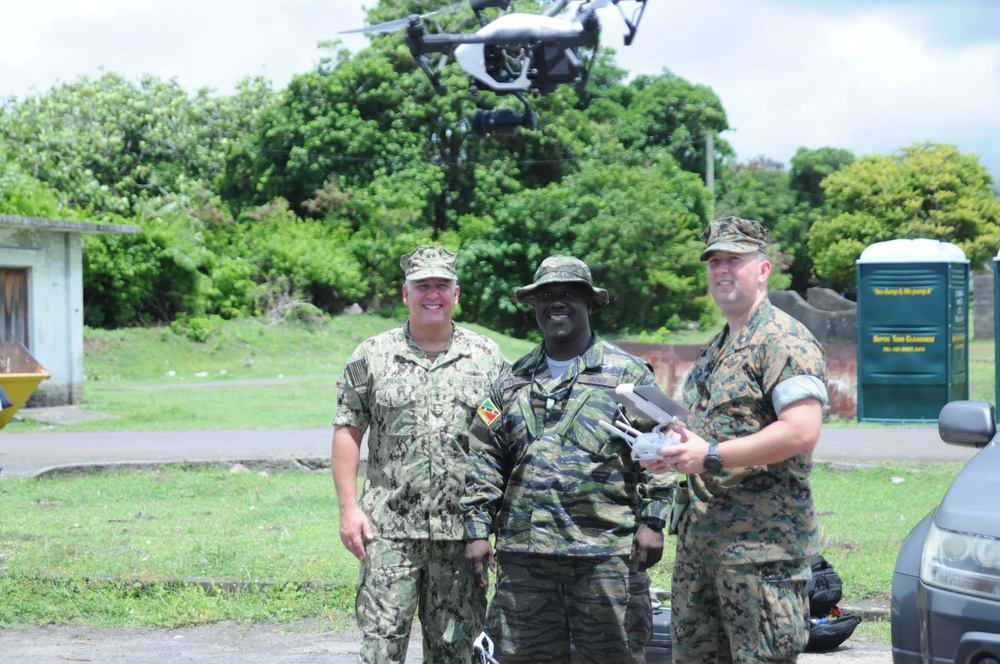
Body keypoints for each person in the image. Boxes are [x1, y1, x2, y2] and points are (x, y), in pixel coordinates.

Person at [462, 255, 673, 664]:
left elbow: (664, 449)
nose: (557, 302)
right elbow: (484, 458)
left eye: (569, 294)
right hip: (525, 559)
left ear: (589, 303)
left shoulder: (630, 375)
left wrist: (653, 522)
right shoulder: (509, 381)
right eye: (547, 295)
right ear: (535, 305)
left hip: (606, 556)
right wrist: (476, 530)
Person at [643, 216, 829, 663]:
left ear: (762, 270)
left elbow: (801, 431)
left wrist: (708, 454)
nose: (722, 270)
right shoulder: (716, 347)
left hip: (760, 554)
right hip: (702, 549)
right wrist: (674, 450)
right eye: (714, 262)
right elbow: (709, 433)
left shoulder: (782, 339)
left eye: (735, 260)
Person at [331, 245, 509, 664]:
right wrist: (348, 509)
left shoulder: (488, 360)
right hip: (388, 531)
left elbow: (503, 437)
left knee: (456, 651)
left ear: (456, 293)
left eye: (441, 285)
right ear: (405, 294)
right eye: (423, 286)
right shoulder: (372, 356)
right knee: (381, 648)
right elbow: (348, 430)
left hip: (463, 533)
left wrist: (497, 513)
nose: (433, 294)